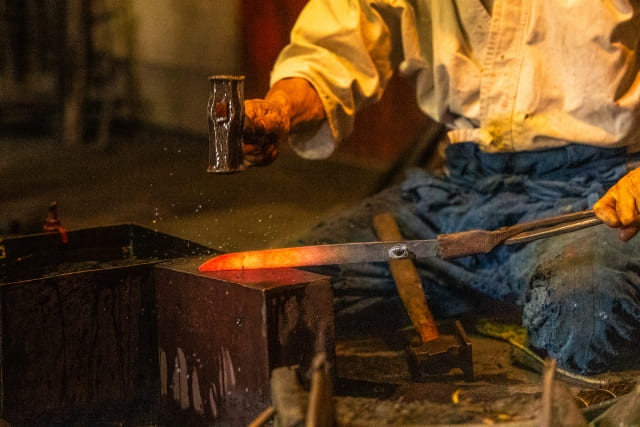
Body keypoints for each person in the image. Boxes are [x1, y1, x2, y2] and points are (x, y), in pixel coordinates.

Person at [241, 0, 640, 375]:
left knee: (587, 319)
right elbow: (341, 38)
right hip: (459, 191)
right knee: (279, 295)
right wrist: (283, 106)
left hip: (594, 194)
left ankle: (527, 296)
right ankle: (501, 294)